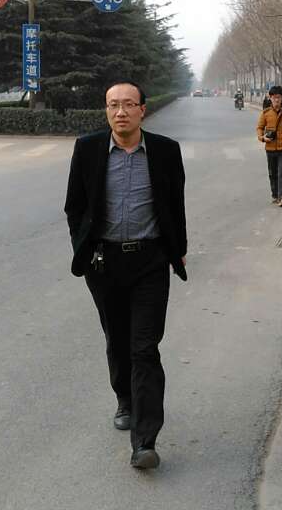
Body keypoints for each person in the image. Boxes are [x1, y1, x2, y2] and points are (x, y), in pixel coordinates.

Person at [64, 81, 188, 471]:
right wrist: (83, 248)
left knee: (144, 348)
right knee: (117, 340)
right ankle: (124, 398)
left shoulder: (166, 151)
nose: (121, 112)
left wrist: (179, 248)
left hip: (150, 261)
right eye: (113, 105)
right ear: (106, 111)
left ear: (142, 110)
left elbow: (175, 203)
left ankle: (145, 441)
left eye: (128, 104)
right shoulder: (87, 149)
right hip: (104, 263)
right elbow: (74, 207)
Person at [257, 85, 282, 207]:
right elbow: (259, 128)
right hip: (270, 148)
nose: (276, 100)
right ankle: (275, 194)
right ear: (270, 98)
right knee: (273, 173)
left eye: (279, 97)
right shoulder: (265, 113)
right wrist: (262, 138)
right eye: (274, 97)